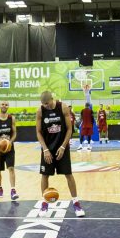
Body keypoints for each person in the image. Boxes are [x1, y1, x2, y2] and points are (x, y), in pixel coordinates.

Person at [35, 90, 84, 218]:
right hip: (47, 149)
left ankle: (76, 203)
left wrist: (63, 146)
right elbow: (39, 132)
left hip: (62, 147)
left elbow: (69, 129)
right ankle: (45, 204)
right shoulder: (40, 111)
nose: (46, 105)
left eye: (47, 103)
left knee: (68, 174)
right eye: (43, 104)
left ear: (52, 99)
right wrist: (45, 149)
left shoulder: (63, 107)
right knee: (45, 175)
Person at [0, 101, 18, 201]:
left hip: (9, 148)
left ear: (8, 106)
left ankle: (13, 190)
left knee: (11, 168)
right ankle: (0, 188)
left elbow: (14, 133)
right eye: (2, 104)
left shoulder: (12, 119)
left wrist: (10, 141)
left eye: (6, 104)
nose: (4, 106)